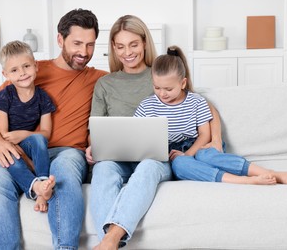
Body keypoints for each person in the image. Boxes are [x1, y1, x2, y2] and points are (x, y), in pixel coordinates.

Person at [85, 15, 221, 249]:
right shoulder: (105, 84)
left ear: (145, 43)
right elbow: (94, 128)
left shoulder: (160, 73)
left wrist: (216, 138)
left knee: (147, 166)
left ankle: (109, 240)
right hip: (118, 157)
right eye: (120, 46)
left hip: (156, 158)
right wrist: (93, 146)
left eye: (134, 44)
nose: (128, 52)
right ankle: (108, 243)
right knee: (103, 169)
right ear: (114, 49)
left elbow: (202, 104)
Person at [0, 9, 108, 250]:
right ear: (60, 39)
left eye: (90, 45)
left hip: (67, 152)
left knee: (64, 171)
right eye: (77, 43)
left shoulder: (100, 79)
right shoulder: (28, 70)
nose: (84, 52)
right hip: (22, 152)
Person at [135, 45, 287, 185]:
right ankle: (243, 181)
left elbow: (205, 134)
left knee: (206, 155)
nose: (162, 93)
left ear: (183, 83)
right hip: (171, 154)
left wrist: (189, 153)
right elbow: (137, 135)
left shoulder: (196, 101)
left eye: (168, 89)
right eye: (157, 87)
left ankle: (271, 173)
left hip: (198, 145)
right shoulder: (147, 105)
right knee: (180, 164)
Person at [0, 40, 56, 213]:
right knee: (10, 155)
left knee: (37, 139)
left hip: (20, 142)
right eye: (14, 70)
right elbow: (3, 135)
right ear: (6, 74)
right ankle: (35, 187)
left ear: (36, 66)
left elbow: (45, 133)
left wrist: (24, 134)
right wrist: (28, 161)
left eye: (26, 66)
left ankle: (43, 185)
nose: (22, 73)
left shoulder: (43, 98)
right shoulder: (5, 96)